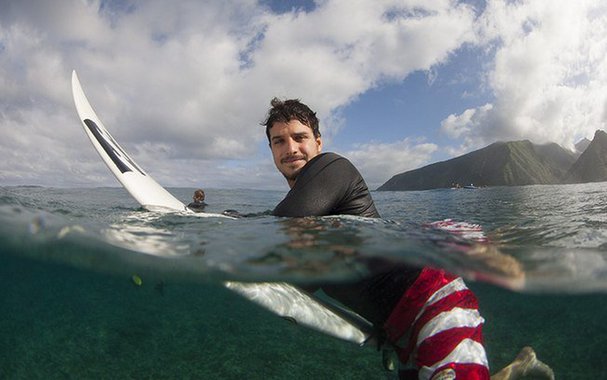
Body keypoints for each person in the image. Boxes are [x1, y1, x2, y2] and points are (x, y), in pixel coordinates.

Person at [262, 98, 554, 380]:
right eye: (279, 141)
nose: (291, 148)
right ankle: (522, 364)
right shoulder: (303, 208)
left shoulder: (333, 168)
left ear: (318, 142)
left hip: (433, 299)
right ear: (272, 151)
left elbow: (282, 231)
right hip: (395, 331)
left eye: (300, 137)